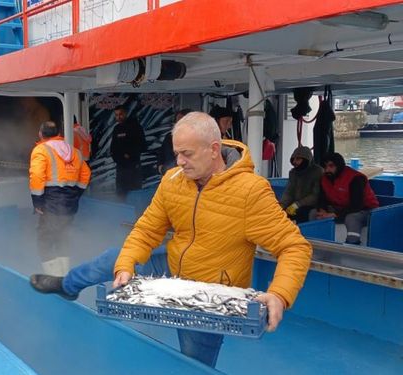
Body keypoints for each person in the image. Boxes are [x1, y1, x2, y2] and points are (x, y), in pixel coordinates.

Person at [30, 112, 312, 367]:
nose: (178, 161)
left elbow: (294, 247)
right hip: (172, 265)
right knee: (114, 257)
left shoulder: (251, 192)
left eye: (186, 153)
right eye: (177, 153)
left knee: (193, 362)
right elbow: (146, 230)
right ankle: (68, 285)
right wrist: (127, 263)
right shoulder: (173, 180)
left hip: (212, 289)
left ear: (214, 150)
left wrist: (279, 294)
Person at [30, 121, 91, 276]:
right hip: (69, 205)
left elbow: (37, 176)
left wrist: (37, 201)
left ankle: (53, 278)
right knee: (63, 238)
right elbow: (86, 174)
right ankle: (64, 275)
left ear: (40, 134)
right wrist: (76, 194)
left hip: (50, 204)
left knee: (45, 240)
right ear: (58, 134)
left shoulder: (41, 150)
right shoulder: (74, 151)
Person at [311, 152, 379, 244]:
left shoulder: (356, 178)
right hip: (340, 207)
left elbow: (356, 205)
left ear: (339, 166)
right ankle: (314, 242)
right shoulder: (324, 179)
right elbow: (322, 198)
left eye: (331, 166)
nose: (327, 170)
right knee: (314, 213)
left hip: (366, 210)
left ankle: (353, 244)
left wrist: (334, 214)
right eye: (325, 166)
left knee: (352, 218)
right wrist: (322, 210)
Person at [110, 105, 146, 199]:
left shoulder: (136, 127)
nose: (118, 117)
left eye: (120, 114)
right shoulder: (116, 129)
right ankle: (120, 213)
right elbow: (113, 148)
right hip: (121, 167)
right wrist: (117, 158)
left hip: (133, 167)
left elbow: (143, 145)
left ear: (125, 113)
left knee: (135, 192)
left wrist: (130, 155)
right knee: (120, 193)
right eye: (116, 115)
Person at [280, 146, 323, 223]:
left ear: (306, 160)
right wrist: (281, 206)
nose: (294, 162)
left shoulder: (318, 172)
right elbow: (289, 192)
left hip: (312, 206)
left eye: (298, 159)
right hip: (295, 205)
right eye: (293, 159)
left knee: (301, 213)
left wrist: (298, 204)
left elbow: (315, 195)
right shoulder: (293, 173)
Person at [157, 109, 191, 175]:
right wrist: (160, 167)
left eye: (182, 122)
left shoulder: (197, 140)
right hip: (168, 175)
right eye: (177, 122)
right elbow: (161, 153)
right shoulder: (169, 137)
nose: (178, 125)